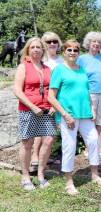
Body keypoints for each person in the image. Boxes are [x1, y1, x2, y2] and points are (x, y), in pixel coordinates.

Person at [48, 40, 101, 195]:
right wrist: (65, 115)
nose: (72, 52)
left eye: (75, 50)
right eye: (69, 50)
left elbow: (86, 91)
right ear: (64, 52)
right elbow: (51, 97)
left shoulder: (81, 70)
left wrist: (92, 108)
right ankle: (68, 181)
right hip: (69, 116)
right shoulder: (59, 70)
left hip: (85, 114)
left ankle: (95, 174)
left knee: (94, 141)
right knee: (69, 146)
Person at [13, 37, 57, 190]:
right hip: (29, 110)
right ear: (28, 49)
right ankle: (25, 177)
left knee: (49, 140)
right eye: (33, 47)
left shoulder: (47, 69)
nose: (36, 50)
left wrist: (54, 105)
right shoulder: (23, 67)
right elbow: (17, 90)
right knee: (27, 142)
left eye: (39, 47)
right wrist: (32, 106)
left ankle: (40, 174)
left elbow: (53, 90)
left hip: (46, 111)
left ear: (43, 50)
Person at [77, 32, 101, 159]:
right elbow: (79, 78)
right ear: (88, 43)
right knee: (90, 121)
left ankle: (99, 148)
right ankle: (88, 149)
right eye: (93, 41)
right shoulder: (81, 59)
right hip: (89, 93)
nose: (96, 44)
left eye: (98, 42)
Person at [31, 32, 64, 166]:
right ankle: (35, 156)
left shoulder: (62, 60)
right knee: (40, 129)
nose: (52, 44)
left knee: (53, 130)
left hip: (59, 98)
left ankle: (47, 156)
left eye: (54, 41)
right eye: (49, 41)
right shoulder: (41, 59)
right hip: (43, 99)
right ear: (43, 43)